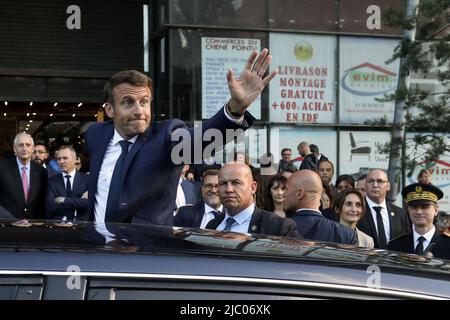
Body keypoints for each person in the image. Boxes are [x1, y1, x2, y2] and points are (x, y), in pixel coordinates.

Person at [85, 49, 277, 224]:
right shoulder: (96, 135)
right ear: (110, 110)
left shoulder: (165, 137)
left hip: (144, 254)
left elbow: (202, 141)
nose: (139, 110)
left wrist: (235, 109)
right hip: (97, 252)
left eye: (144, 102)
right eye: (128, 102)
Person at [206, 163, 298, 237]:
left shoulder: (278, 227)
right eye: (223, 183)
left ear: (253, 188)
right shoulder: (212, 225)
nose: (228, 189)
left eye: (236, 183)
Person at [285, 170, 357, 245]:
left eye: (286, 189)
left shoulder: (278, 228)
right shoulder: (346, 235)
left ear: (300, 193)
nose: (283, 194)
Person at [357, 168, 410, 249]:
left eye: (380, 181)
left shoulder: (400, 214)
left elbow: (407, 242)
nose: (375, 185)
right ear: (365, 185)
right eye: (371, 181)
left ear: (388, 186)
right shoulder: (357, 211)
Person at [387, 183, 444, 258]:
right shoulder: (395, 246)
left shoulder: (447, 244)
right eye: (414, 207)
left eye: (424, 207)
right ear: (408, 210)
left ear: (436, 210)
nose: (419, 212)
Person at [0, 133, 47, 219]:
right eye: (20, 145)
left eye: (28, 145)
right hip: (8, 223)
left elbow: (42, 200)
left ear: (32, 149)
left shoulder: (41, 171)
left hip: (33, 224)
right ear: (15, 149)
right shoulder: (2, 168)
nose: (24, 148)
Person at [46, 145, 89, 221]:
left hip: (82, 226)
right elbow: (51, 206)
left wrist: (63, 200)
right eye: (59, 159)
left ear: (75, 159)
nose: (61, 162)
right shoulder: (51, 182)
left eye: (65, 158)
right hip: (59, 226)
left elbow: (88, 204)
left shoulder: (87, 179)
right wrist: (78, 202)